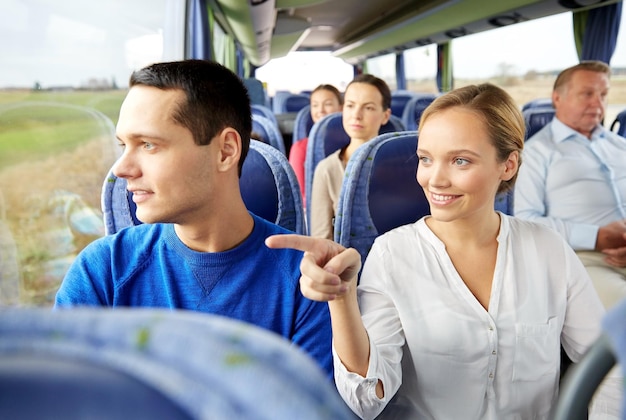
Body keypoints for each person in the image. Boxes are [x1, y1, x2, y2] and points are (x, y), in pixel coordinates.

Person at [267, 83, 622, 419]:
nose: (434, 179)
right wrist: (342, 300)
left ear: (508, 165)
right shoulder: (392, 254)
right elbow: (366, 401)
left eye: (460, 161)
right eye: (425, 159)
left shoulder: (549, 250)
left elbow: (609, 366)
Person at [54, 59, 333, 379]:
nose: (120, 169)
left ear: (226, 151)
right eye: (123, 145)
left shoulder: (309, 280)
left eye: (148, 144)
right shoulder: (102, 272)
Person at [514, 60, 626, 310]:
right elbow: (527, 222)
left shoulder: (620, 145)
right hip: (587, 258)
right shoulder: (536, 153)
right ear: (557, 98)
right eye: (587, 94)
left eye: (604, 95)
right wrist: (597, 237)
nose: (598, 104)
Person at [309, 75, 391, 239]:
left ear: (385, 116)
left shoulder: (401, 165)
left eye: (368, 108)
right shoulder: (327, 169)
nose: (356, 115)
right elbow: (321, 240)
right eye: (350, 105)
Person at [288, 84, 343, 205]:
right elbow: (300, 196)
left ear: (341, 108)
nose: (320, 110)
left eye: (328, 104)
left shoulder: (352, 143)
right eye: (315, 105)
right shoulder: (301, 148)